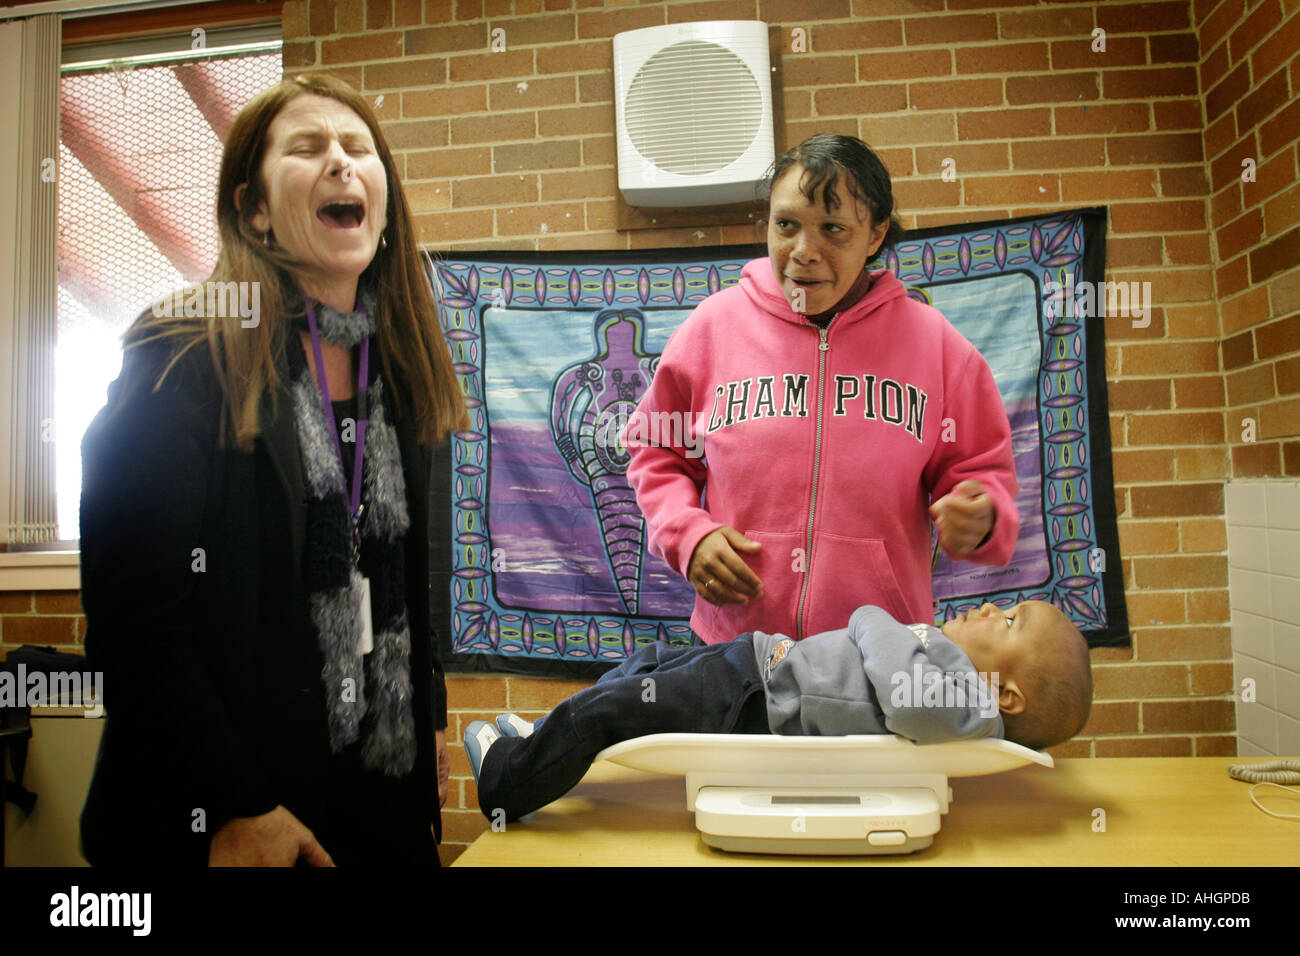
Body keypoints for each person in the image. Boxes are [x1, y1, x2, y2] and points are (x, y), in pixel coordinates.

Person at [78, 74, 466, 866]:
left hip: (376, 799)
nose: (340, 162)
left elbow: (406, 579)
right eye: (308, 147)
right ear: (254, 210)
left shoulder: (403, 367)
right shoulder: (182, 349)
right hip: (226, 815)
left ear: (384, 207)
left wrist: (424, 727)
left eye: (359, 148)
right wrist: (233, 803)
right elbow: (134, 615)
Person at [625, 134, 1019, 645]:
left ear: (876, 234)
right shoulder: (711, 328)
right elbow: (656, 449)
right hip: (735, 651)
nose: (804, 253)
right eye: (786, 225)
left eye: (833, 229)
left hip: (880, 661)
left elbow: (983, 474)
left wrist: (982, 516)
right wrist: (688, 536)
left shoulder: (940, 348)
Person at [466, 600, 1092, 823]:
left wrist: (876, 615)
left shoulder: (973, 706)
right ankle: (543, 736)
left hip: (755, 698)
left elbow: (903, 694)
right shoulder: (951, 665)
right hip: (755, 663)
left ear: (1008, 695)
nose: (990, 611)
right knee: (644, 666)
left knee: (615, 711)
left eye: (1009, 621)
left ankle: (507, 781)